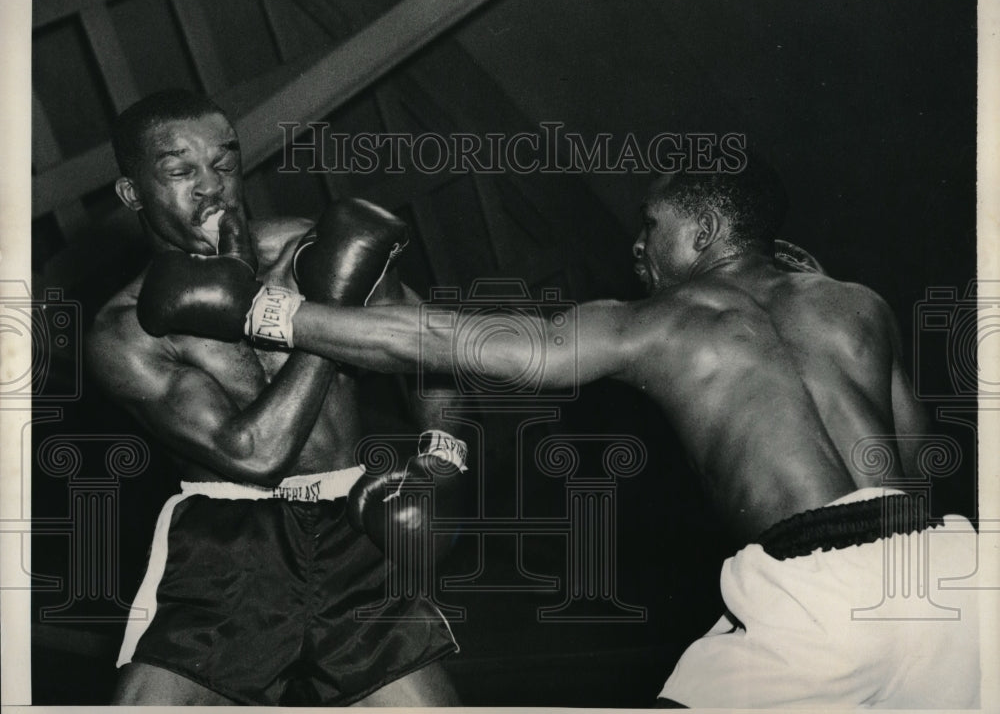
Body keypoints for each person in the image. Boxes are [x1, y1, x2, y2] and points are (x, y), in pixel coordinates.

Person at [134, 155, 981, 706]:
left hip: (815, 590)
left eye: (652, 225)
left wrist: (272, 312)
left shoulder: (659, 320)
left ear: (708, 232)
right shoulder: (857, 303)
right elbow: (911, 464)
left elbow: (447, 341)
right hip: (948, 569)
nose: (637, 247)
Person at [86, 89, 469, 707]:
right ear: (133, 193)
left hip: (356, 526)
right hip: (226, 546)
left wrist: (444, 460)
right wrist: (326, 314)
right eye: (181, 171)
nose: (211, 186)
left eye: (225, 164)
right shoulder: (125, 330)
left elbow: (432, 354)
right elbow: (255, 454)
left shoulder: (305, 249)